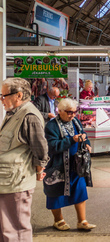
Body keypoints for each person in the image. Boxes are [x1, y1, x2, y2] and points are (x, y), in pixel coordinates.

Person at [0, 78, 49, 241]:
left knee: (16, 230)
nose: (2, 99)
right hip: (7, 181)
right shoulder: (13, 113)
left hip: (16, 183)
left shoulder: (29, 116)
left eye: (4, 95)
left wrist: (39, 170)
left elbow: (40, 149)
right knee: (6, 228)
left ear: (18, 95)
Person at [43, 98, 96, 231]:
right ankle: (58, 220)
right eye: (69, 112)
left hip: (76, 165)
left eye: (74, 112)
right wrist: (71, 140)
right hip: (57, 166)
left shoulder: (76, 121)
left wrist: (87, 143)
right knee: (55, 193)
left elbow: (83, 134)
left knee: (80, 190)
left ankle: (82, 221)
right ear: (60, 111)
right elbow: (52, 146)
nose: (72, 115)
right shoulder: (51, 126)